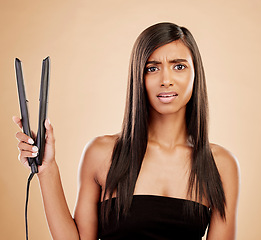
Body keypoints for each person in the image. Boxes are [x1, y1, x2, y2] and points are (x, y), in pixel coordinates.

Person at [13, 22, 240, 240]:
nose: (166, 80)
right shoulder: (101, 153)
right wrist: (47, 169)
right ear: (138, 77)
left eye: (179, 66)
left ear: (195, 73)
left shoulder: (220, 164)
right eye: (152, 68)